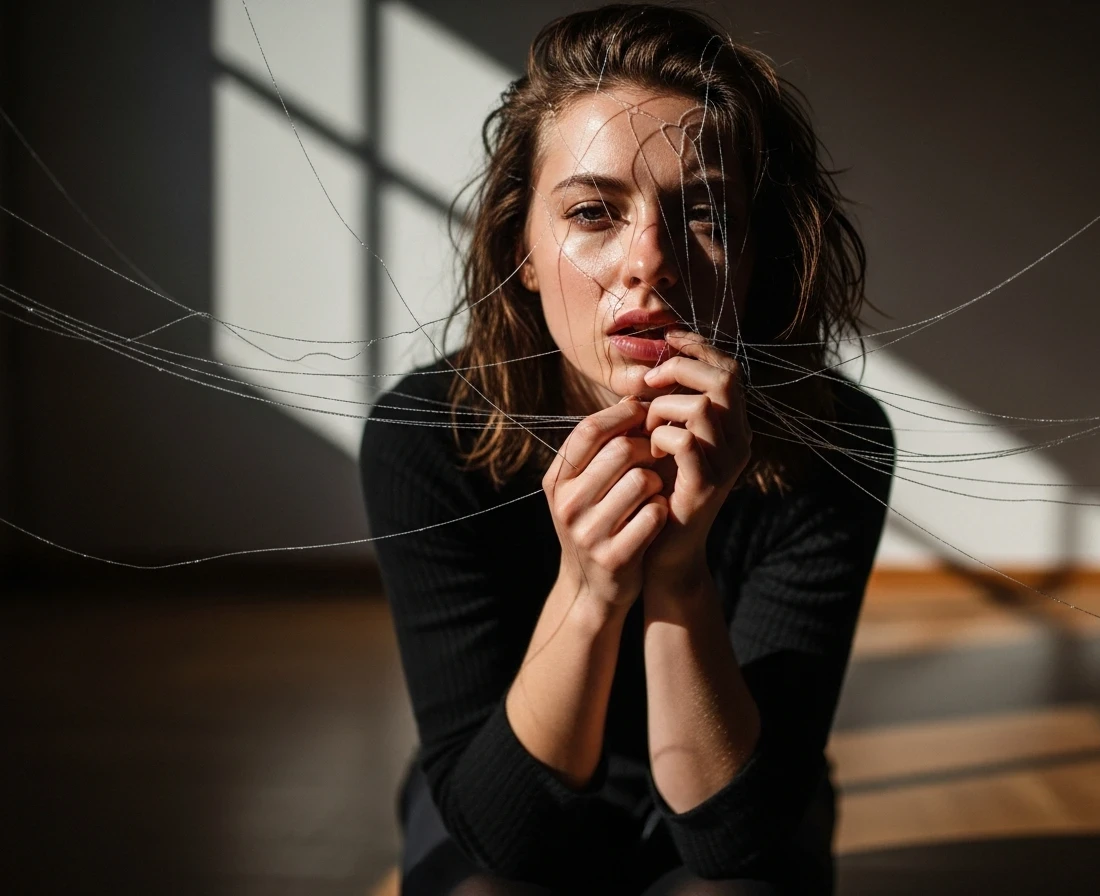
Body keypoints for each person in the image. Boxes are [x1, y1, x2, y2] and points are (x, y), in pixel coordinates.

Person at [359, 5, 894, 894]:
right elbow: (505, 836)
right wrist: (592, 583)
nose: (651, 262)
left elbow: (733, 838)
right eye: (594, 211)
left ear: (759, 254)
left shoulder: (836, 443)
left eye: (707, 213)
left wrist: (679, 575)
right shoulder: (426, 439)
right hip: (505, 775)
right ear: (520, 248)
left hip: (734, 781)